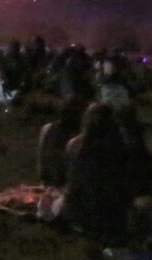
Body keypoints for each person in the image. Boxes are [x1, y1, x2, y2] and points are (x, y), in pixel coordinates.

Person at [45, 103, 132, 245]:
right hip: (108, 215)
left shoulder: (74, 145)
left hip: (75, 211)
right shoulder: (119, 147)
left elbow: (66, 177)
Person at [37, 98, 85, 187]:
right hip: (58, 184)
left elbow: (41, 163)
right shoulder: (80, 138)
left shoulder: (48, 129)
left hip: (57, 184)